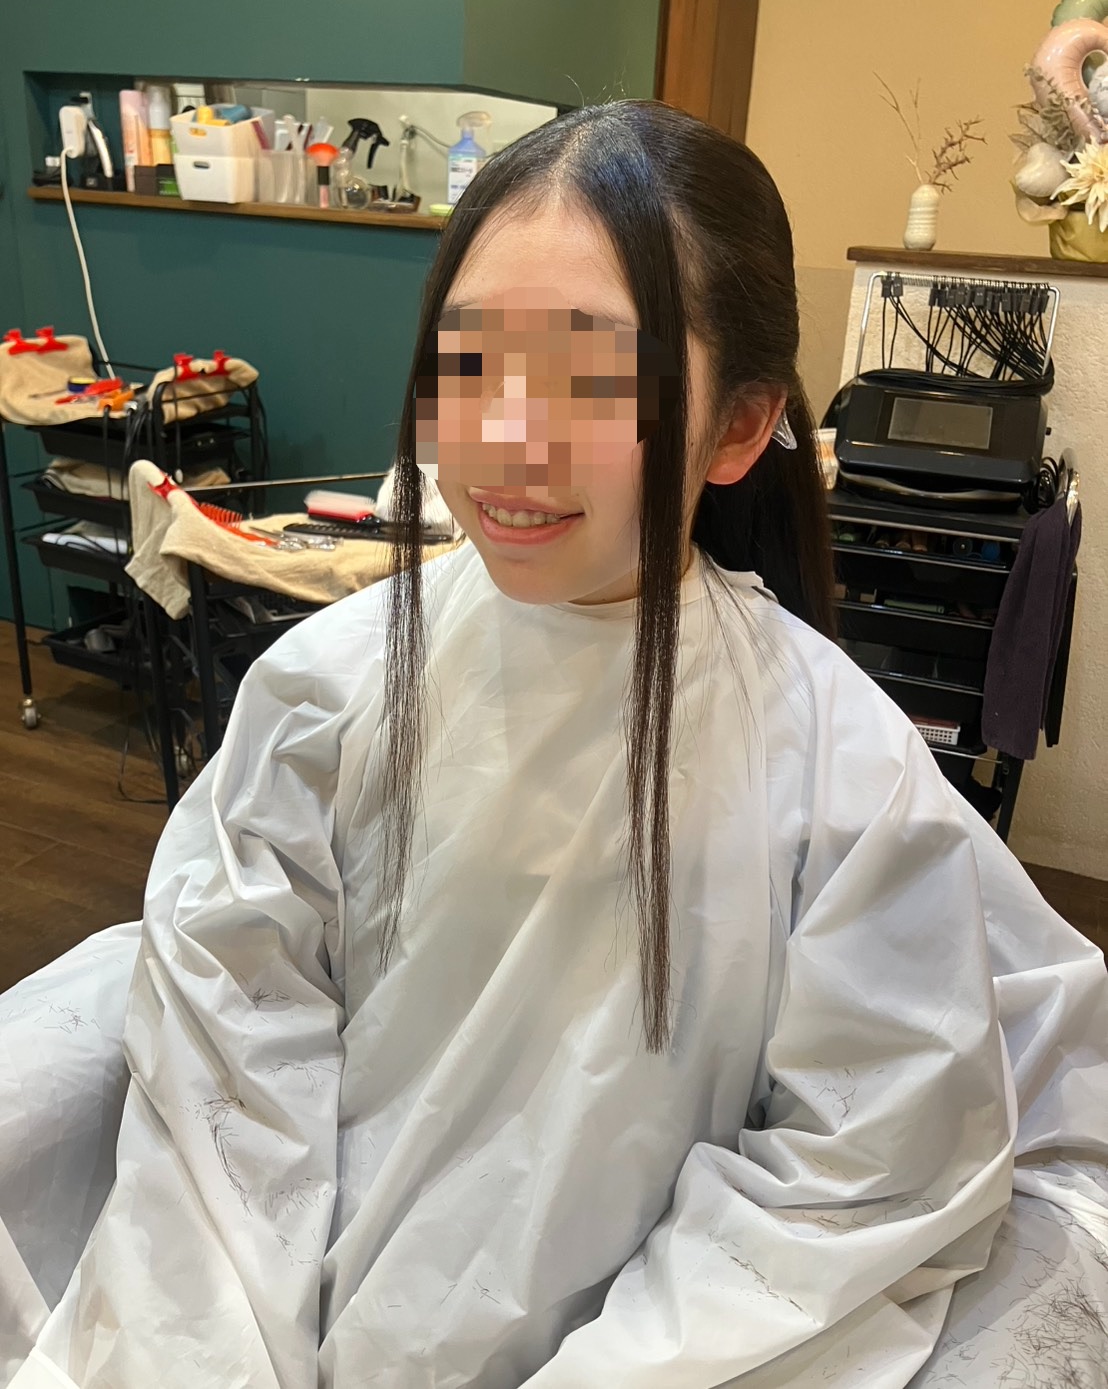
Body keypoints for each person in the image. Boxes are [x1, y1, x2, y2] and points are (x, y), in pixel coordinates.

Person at [3, 101, 1106, 1389]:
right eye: (469, 365)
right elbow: (228, 1080)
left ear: (737, 426)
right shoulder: (323, 692)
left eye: (593, 382)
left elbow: (852, 1180)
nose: (506, 443)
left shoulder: (841, 780)